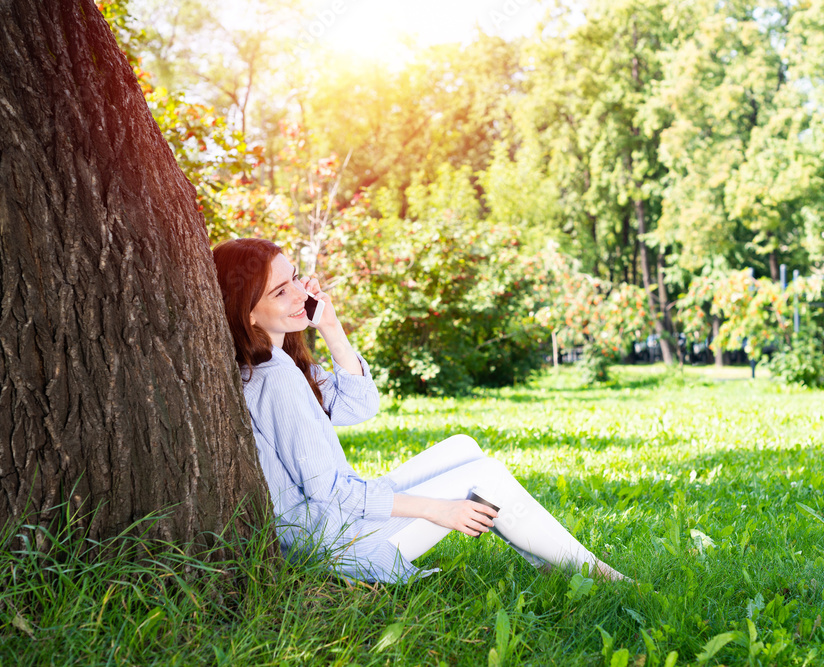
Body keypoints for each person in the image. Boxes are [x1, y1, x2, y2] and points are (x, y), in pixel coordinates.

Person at [212, 237, 629, 584]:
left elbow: (360, 405)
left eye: (295, 279)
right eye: (280, 291)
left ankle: (552, 560)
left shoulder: (281, 361)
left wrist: (331, 327)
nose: (300, 294)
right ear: (246, 311)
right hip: (338, 544)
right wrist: (437, 509)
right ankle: (602, 576)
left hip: (332, 521)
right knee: (486, 478)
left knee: (464, 447)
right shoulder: (275, 378)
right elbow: (330, 491)